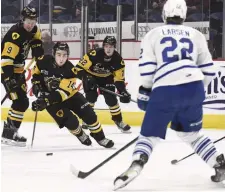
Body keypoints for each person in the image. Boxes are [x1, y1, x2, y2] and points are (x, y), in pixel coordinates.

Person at [114, 0, 225, 190]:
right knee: (191, 133)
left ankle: (137, 164)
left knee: (149, 135)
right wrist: (195, 91)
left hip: (166, 89)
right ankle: (219, 163)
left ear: (164, 14)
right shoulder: (197, 35)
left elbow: (148, 68)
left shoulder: (153, 34)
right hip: (194, 87)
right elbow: (208, 69)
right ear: (184, 15)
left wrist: (145, 93)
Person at [31, 42, 114, 148]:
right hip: (50, 99)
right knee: (71, 122)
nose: (61, 59)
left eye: (64, 55)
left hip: (69, 96)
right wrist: (36, 84)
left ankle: (100, 138)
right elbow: (36, 72)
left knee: (90, 115)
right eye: (59, 54)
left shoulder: (70, 70)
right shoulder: (43, 61)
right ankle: (80, 134)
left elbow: (62, 93)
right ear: (53, 54)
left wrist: (45, 101)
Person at [1, 6, 44, 147]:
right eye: (28, 21)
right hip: (6, 71)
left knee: (22, 102)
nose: (31, 24)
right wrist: (9, 79)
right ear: (22, 19)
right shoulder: (15, 35)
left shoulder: (35, 30)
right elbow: (6, 60)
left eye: (33, 20)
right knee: (20, 102)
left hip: (19, 71)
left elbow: (36, 39)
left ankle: (9, 133)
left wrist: (37, 46)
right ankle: (9, 134)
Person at [76, 36, 131, 133]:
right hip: (90, 77)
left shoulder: (118, 60)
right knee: (91, 97)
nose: (108, 49)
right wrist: (87, 78)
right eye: (106, 46)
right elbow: (78, 69)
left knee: (111, 99)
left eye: (111, 46)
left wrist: (123, 91)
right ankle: (87, 119)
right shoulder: (94, 54)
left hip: (107, 78)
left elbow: (119, 79)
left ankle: (118, 120)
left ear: (114, 47)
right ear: (103, 46)